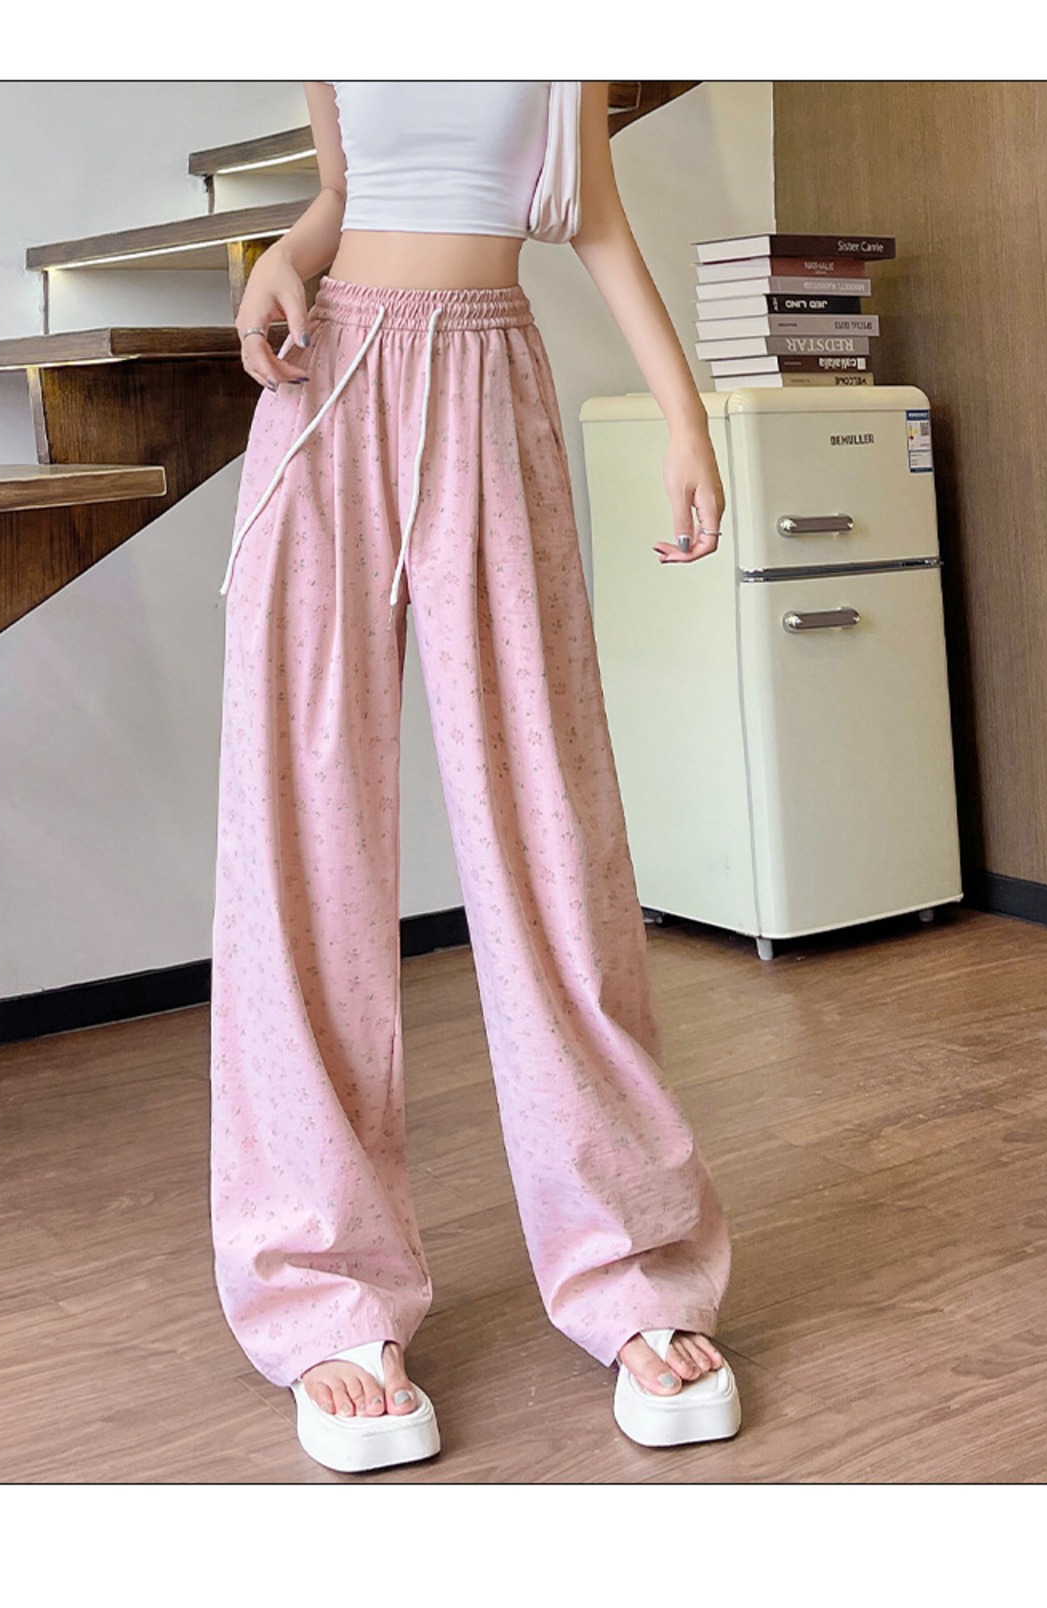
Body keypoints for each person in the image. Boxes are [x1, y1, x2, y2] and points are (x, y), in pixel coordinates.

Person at [209, 80, 740, 1474]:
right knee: (299, 847)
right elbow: (346, 193)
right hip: (328, 390)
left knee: (552, 842)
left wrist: (685, 417)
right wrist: (285, 255)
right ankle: (325, 1291)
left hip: (491, 380)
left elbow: (594, 217)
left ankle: (632, 1269)